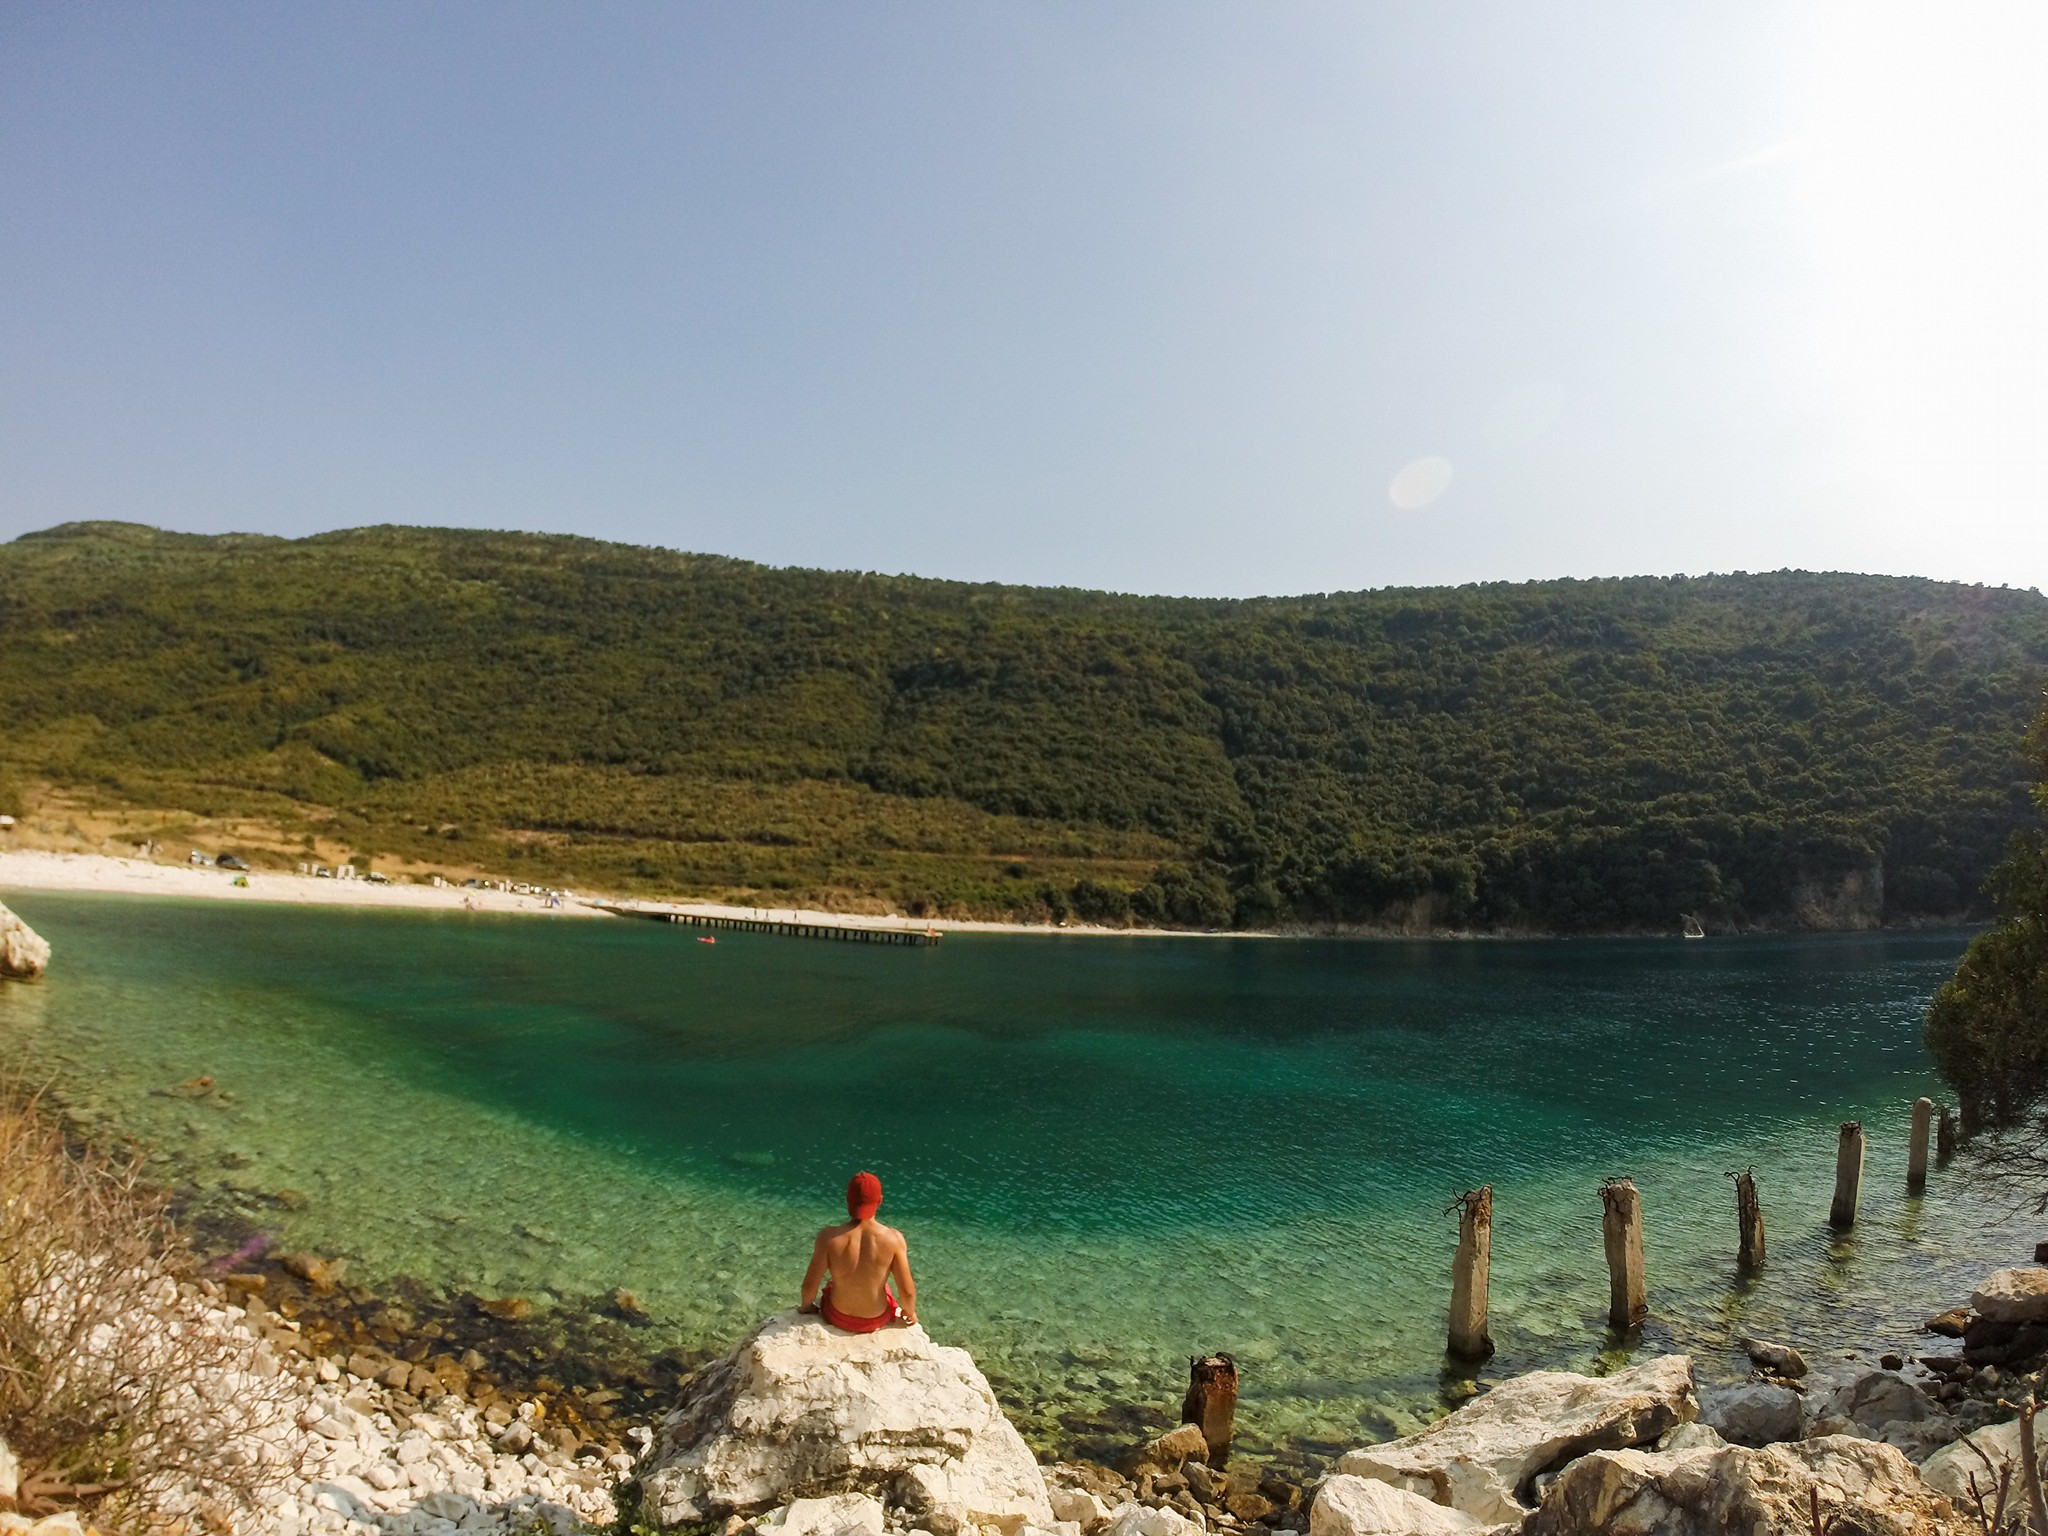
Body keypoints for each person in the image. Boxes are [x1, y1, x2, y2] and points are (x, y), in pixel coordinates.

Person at [799, 1171, 917, 1332]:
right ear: (880, 1201)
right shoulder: (894, 1239)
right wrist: (910, 1312)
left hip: (837, 1316)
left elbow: (809, 1285)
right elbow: (907, 1292)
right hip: (876, 1318)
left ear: (847, 1200)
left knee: (833, 1284)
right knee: (885, 1287)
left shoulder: (828, 1237)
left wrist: (806, 1307)